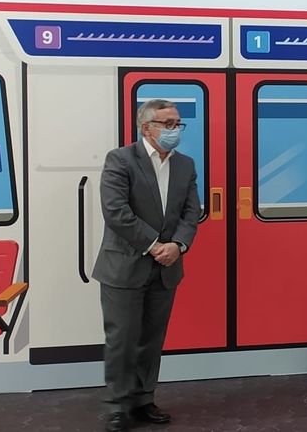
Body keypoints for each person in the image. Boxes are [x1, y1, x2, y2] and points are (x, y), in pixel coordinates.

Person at [93, 99, 201, 431]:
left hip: (166, 268)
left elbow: (190, 212)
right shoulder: (121, 160)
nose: (175, 130)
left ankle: (143, 400)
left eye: (178, 124)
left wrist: (178, 245)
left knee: (151, 340)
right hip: (124, 267)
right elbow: (116, 212)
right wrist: (156, 246)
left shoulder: (185, 164)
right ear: (146, 127)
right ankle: (117, 406)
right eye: (167, 124)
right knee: (122, 340)